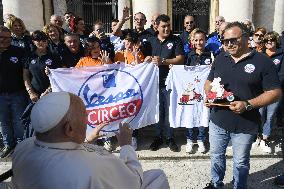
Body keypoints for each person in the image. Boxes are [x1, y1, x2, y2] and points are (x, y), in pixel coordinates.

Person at [11, 92, 170, 189]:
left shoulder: (23, 147)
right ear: (69, 129)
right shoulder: (91, 167)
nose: (87, 119)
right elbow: (133, 180)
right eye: (84, 115)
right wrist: (126, 145)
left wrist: (87, 140)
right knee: (157, 177)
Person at [203, 22, 282, 189]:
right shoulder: (220, 58)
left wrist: (248, 104)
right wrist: (209, 94)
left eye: (233, 40)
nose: (229, 44)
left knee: (240, 162)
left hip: (245, 123)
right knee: (216, 156)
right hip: (218, 120)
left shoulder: (262, 61)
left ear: (246, 38)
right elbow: (209, 81)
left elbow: (275, 92)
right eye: (225, 41)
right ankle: (216, 184)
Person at [146, 14, 184, 152]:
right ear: (156, 26)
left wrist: (164, 61)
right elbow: (143, 57)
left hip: (170, 83)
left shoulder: (176, 40)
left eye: (168, 25)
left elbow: (180, 58)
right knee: (157, 112)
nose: (167, 28)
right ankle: (158, 138)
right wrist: (147, 58)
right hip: (153, 84)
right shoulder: (150, 41)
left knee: (169, 112)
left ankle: (169, 138)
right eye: (164, 26)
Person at [0, 26, 28, 158]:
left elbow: (26, 72)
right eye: (2, 37)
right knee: (3, 121)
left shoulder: (18, 51)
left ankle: (20, 145)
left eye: (7, 38)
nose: (5, 40)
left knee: (18, 121)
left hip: (17, 93)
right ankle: (8, 144)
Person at [254, 31, 284, 153]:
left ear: (276, 41)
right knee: (260, 115)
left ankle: (265, 139)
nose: (269, 42)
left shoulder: (281, 55)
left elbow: (282, 74)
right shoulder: (259, 55)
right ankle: (258, 136)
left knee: (270, 116)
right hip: (261, 92)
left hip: (275, 91)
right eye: (266, 40)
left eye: (271, 39)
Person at [184, 29, 212, 154]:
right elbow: (184, 72)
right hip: (192, 91)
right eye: (196, 40)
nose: (199, 42)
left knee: (203, 114)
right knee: (190, 114)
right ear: (192, 42)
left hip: (205, 91)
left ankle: (201, 140)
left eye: (201, 40)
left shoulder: (210, 55)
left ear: (205, 41)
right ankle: (190, 140)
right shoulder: (189, 55)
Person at [23, 31, 62, 103]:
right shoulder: (29, 56)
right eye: (38, 40)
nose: (41, 42)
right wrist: (31, 92)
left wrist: (48, 91)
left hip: (52, 94)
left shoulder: (54, 56)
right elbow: (26, 75)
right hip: (35, 96)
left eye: (44, 40)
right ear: (33, 42)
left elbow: (58, 76)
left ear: (47, 41)